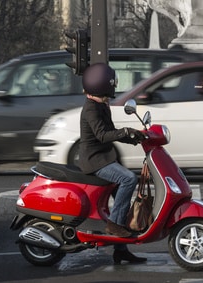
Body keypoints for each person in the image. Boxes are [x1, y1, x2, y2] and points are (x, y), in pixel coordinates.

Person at [79, 63, 147, 264]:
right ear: (102, 84)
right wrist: (124, 132)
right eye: (110, 82)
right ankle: (114, 225)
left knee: (122, 197)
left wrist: (134, 137)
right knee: (128, 179)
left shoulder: (100, 105)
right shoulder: (91, 108)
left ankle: (120, 250)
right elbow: (102, 135)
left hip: (103, 158)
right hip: (95, 161)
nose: (113, 86)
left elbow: (111, 131)